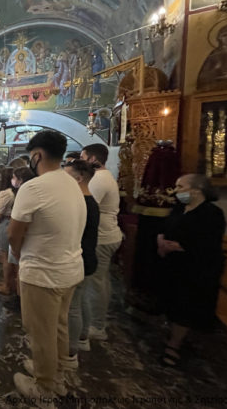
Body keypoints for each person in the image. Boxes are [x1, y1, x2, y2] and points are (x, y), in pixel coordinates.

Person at [9, 130, 86, 399]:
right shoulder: (71, 183)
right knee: (59, 326)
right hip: (70, 269)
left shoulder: (34, 187)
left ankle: (43, 388)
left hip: (44, 273)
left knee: (41, 331)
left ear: (37, 155)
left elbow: (14, 233)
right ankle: (56, 374)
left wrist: (18, 255)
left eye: (31, 156)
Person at [158, 174, 226, 367]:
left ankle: (174, 345)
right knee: (173, 303)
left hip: (196, 269)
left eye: (181, 187)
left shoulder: (212, 213)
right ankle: (176, 334)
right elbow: (165, 226)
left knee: (185, 307)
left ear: (197, 190)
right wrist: (161, 240)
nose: (176, 191)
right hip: (174, 265)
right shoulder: (180, 208)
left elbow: (209, 242)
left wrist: (181, 246)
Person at [80, 143, 123, 341]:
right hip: (106, 235)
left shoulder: (98, 179)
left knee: (95, 283)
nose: (81, 162)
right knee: (100, 281)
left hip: (102, 237)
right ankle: (96, 321)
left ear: (92, 159)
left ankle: (96, 326)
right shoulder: (103, 177)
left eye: (83, 157)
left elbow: (87, 208)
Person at [63, 159, 100, 365]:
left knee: (72, 307)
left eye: (66, 176)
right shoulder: (88, 199)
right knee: (82, 299)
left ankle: (70, 351)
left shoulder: (82, 202)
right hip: (87, 257)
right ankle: (83, 337)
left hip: (80, 258)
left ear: (78, 178)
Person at [3, 166, 36, 311]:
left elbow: (16, 226)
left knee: (19, 269)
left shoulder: (26, 193)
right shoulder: (23, 192)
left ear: (21, 180)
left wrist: (15, 248)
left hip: (21, 237)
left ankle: (19, 299)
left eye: (14, 177)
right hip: (22, 237)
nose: (12, 180)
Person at [0, 167, 15, 295]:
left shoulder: (5, 193)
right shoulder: (15, 192)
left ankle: (6, 284)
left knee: (5, 255)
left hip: (5, 222)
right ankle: (10, 282)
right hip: (12, 221)